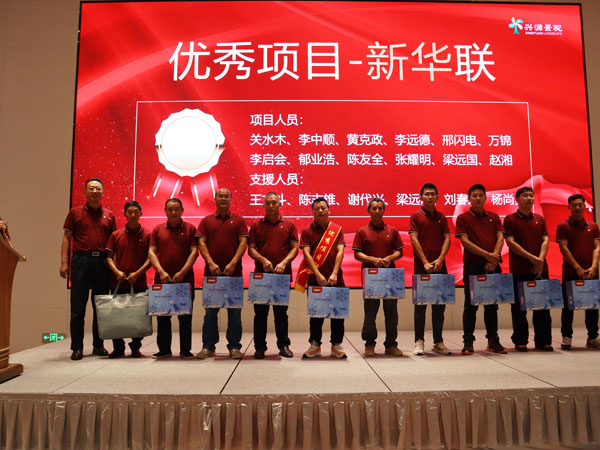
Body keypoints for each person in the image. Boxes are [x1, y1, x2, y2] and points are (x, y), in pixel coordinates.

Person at [60, 178, 116, 360]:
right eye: (91, 188)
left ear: (103, 192)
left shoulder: (109, 215)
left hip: (102, 263)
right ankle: (77, 347)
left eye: (98, 188)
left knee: (100, 307)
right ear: (85, 192)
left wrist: (114, 267)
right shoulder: (74, 213)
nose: (94, 191)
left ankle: (98, 345)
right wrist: (64, 263)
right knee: (78, 308)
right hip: (80, 261)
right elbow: (66, 238)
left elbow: (113, 244)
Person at [455, 183, 508, 355]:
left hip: (492, 266)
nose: (477, 198)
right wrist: (488, 256)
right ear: (469, 199)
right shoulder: (463, 218)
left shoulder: (494, 217)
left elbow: (500, 238)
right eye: (474, 196)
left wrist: (494, 258)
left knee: (492, 306)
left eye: (480, 195)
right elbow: (465, 242)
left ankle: (493, 340)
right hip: (473, 266)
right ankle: (468, 342)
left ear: (485, 197)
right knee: (470, 307)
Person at [196, 188, 249, 360]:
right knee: (210, 313)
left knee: (234, 313)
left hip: (234, 275)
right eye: (220, 196)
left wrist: (233, 263)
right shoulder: (206, 221)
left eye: (227, 196)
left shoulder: (239, 220)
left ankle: (234, 347)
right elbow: (201, 243)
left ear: (231, 199)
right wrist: (210, 262)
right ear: (215, 199)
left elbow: (243, 242)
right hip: (211, 274)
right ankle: (208, 347)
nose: (223, 198)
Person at [248, 192, 298, 359]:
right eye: (268, 203)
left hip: (281, 277)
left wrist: (284, 263)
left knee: (281, 314)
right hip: (261, 277)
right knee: (260, 315)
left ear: (280, 205)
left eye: (274, 203)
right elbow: (251, 249)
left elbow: (294, 248)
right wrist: (262, 260)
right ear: (263, 205)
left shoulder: (289, 225)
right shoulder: (256, 225)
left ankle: (283, 345)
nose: (271, 206)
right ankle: (260, 347)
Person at [353, 197, 404, 357]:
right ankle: (369, 344)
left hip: (390, 277)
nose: (377, 211)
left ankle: (391, 344)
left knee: (392, 313)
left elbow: (400, 252)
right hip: (371, 278)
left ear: (384, 210)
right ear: (368, 211)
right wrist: (371, 259)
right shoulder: (362, 231)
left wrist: (390, 258)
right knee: (370, 313)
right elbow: (357, 254)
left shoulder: (392, 231)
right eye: (374, 208)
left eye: (380, 208)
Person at [504, 187, 553, 351]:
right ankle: (520, 340)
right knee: (519, 308)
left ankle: (543, 340)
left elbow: (545, 240)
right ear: (517, 199)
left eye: (531, 195)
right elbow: (511, 243)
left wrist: (540, 260)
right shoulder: (510, 219)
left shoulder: (539, 219)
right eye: (525, 196)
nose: (529, 198)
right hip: (520, 270)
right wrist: (532, 259)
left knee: (542, 307)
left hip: (540, 269)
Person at [148, 198, 198, 359]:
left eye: (177, 209)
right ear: (165, 211)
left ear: (182, 210)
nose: (173, 212)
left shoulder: (190, 228)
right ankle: (164, 349)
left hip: (185, 279)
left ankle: (185, 350)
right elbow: (151, 252)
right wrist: (161, 272)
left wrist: (183, 272)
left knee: (185, 317)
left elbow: (194, 252)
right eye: (170, 209)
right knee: (163, 316)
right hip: (162, 279)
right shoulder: (157, 229)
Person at [297, 197, 347, 358]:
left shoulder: (337, 230)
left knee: (337, 314)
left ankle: (336, 345)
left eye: (323, 208)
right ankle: (315, 345)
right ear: (312, 211)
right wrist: (317, 274)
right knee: (316, 315)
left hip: (336, 278)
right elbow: (306, 254)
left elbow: (340, 251)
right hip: (315, 279)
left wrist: (334, 273)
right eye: (317, 208)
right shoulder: (307, 230)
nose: (320, 211)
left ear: (329, 210)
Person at [408, 183, 452, 356]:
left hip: (440, 266)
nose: (430, 197)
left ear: (437, 197)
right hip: (422, 267)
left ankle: (438, 342)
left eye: (433, 194)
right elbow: (414, 240)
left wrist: (440, 259)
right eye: (427, 194)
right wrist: (425, 262)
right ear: (421, 197)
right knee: (420, 307)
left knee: (439, 307)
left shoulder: (441, 217)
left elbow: (447, 239)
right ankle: (419, 341)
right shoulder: (416, 216)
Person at [105, 200, 151, 358]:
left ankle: (135, 346)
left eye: (136, 212)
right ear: (124, 214)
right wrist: (117, 272)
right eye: (129, 212)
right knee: (116, 317)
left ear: (141, 214)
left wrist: (137, 273)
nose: (133, 215)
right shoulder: (116, 235)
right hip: (118, 282)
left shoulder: (147, 235)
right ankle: (118, 348)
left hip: (139, 282)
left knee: (139, 317)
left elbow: (150, 258)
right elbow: (109, 257)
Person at [556, 194, 600, 349]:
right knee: (568, 307)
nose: (577, 208)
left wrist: (594, 266)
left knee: (592, 306)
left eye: (580, 205)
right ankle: (566, 337)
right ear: (569, 207)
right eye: (574, 205)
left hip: (591, 272)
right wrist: (577, 268)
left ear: (584, 206)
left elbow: (597, 248)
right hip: (571, 272)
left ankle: (593, 336)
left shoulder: (593, 226)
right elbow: (564, 249)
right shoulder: (563, 226)